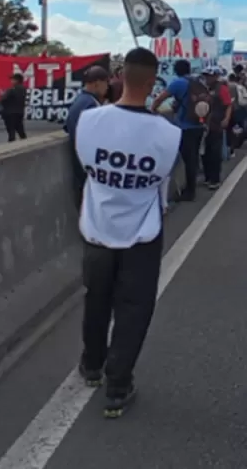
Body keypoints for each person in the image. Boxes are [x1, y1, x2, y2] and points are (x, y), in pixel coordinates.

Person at [75, 47, 181, 419]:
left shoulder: (88, 121)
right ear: (153, 82)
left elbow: (85, 169)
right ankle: (118, 387)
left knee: (96, 299)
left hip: (96, 229)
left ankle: (91, 366)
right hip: (142, 234)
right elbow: (161, 186)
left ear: (120, 76)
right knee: (133, 310)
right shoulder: (168, 134)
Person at [151, 60, 205, 202]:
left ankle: (189, 191)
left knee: (188, 159)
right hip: (199, 123)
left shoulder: (178, 83)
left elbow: (160, 99)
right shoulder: (197, 81)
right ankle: (192, 185)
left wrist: (152, 111)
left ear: (176, 70)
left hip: (185, 126)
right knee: (193, 157)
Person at [65, 66, 111, 208]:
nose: (107, 88)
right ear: (97, 83)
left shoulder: (81, 100)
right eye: (106, 84)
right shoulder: (90, 105)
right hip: (88, 169)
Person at [201, 68, 232, 189]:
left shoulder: (221, 89)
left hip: (216, 124)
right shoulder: (205, 89)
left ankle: (215, 179)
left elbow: (228, 105)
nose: (207, 79)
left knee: (214, 152)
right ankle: (208, 177)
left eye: (209, 76)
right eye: (206, 76)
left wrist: (226, 119)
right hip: (205, 125)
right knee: (205, 153)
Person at [0, 73, 29, 142]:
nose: (11, 81)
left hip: (10, 113)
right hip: (20, 112)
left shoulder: (12, 90)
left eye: (12, 79)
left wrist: (2, 96)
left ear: (17, 80)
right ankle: (25, 143)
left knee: (11, 132)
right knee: (20, 130)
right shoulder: (23, 89)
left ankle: (11, 145)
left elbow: (3, 99)